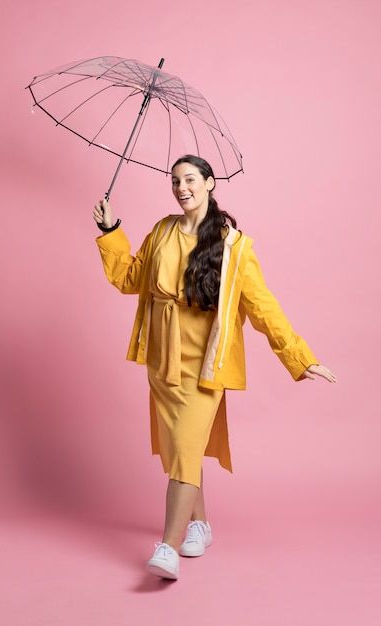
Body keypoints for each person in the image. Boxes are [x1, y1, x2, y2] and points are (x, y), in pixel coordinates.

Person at [92, 154, 337, 581]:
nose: (181, 187)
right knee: (179, 453)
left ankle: (167, 547)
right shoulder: (163, 231)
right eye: (175, 180)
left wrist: (300, 356)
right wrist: (111, 231)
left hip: (205, 366)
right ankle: (200, 525)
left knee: (185, 449)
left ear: (209, 183)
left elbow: (262, 307)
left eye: (190, 179)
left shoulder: (233, 245)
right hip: (162, 361)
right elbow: (130, 279)